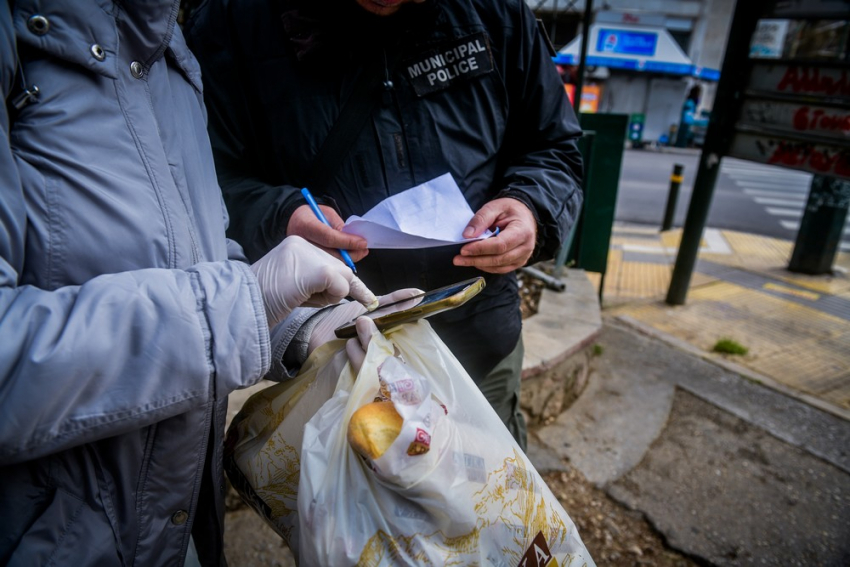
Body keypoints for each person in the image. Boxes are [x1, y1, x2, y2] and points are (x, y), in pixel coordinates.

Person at [0, 1, 390, 565]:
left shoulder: (174, 61)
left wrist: (305, 325)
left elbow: (198, 257)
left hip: (174, 534)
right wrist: (244, 305)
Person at [186, 0, 584, 450]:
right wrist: (279, 216)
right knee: (353, 515)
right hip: (335, 360)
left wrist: (530, 206)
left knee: (496, 509)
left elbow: (554, 146)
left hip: (480, 347)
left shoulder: (495, 10)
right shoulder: (230, 22)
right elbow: (198, 178)